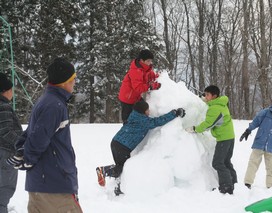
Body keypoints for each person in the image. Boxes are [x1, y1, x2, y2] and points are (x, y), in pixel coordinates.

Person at [6, 58, 83, 212]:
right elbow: (38, 138)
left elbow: (31, 133)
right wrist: (27, 157)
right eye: (73, 79)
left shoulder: (48, 101)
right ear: (64, 82)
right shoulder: (54, 105)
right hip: (53, 186)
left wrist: (23, 151)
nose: (75, 82)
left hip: (45, 182)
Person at [96, 101, 185, 195]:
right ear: (143, 111)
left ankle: (118, 188)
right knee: (123, 168)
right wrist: (174, 114)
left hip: (116, 143)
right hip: (122, 146)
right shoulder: (143, 120)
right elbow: (157, 121)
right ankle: (104, 171)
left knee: (120, 167)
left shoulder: (135, 115)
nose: (149, 111)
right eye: (147, 110)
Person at [185, 85, 237, 195]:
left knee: (217, 163)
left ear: (214, 96)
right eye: (205, 94)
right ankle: (234, 182)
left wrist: (195, 129)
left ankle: (227, 187)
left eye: (207, 95)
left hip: (224, 139)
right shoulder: (220, 103)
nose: (205, 96)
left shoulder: (215, 108)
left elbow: (208, 124)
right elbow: (211, 104)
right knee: (226, 161)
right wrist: (204, 99)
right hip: (229, 137)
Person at [240, 96, 272, 189]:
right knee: (253, 163)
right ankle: (247, 183)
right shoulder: (267, 112)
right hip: (259, 142)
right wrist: (248, 130)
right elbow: (256, 121)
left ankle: (271, 186)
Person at [0, 73, 23, 213]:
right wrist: (22, 143)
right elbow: (6, 132)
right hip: (5, 156)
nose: (12, 93)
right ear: (5, 91)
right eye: (11, 89)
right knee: (4, 190)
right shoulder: (3, 106)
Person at [118, 49, 161, 123]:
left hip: (136, 97)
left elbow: (152, 76)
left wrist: (161, 78)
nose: (150, 63)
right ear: (142, 60)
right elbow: (138, 87)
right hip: (127, 99)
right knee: (128, 121)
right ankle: (127, 133)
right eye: (148, 61)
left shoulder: (146, 69)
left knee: (144, 112)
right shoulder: (136, 71)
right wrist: (151, 86)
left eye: (151, 61)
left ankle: (142, 129)